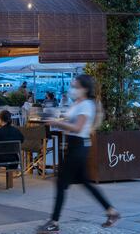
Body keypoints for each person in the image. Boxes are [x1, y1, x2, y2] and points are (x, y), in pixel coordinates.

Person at [37, 75, 120, 233]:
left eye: (76, 86)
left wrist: (57, 123)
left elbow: (77, 128)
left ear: (85, 89)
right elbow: (71, 125)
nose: (72, 89)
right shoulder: (77, 103)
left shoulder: (87, 105)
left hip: (78, 146)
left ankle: (54, 222)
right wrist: (59, 122)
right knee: (85, 182)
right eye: (72, 86)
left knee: (61, 184)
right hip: (74, 146)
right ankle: (112, 212)